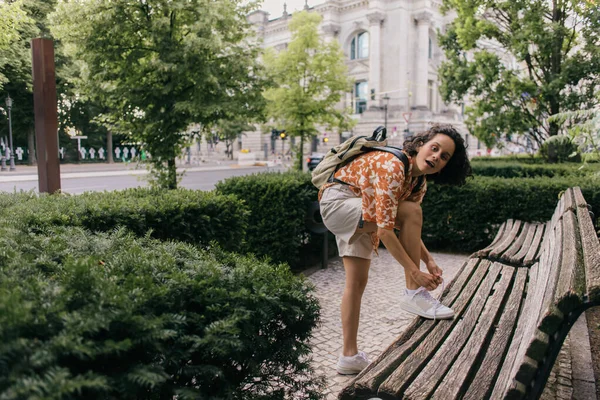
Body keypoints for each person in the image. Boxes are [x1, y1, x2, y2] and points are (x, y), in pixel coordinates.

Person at [318, 124, 472, 375]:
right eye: (434, 148)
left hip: (361, 207)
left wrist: (429, 262)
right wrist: (415, 273)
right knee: (411, 210)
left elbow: (406, 226)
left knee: (356, 283)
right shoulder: (394, 167)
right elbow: (386, 231)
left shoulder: (418, 182)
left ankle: (349, 357)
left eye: (444, 156)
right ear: (420, 144)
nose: (436, 157)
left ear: (446, 165)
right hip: (339, 203)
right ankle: (413, 294)